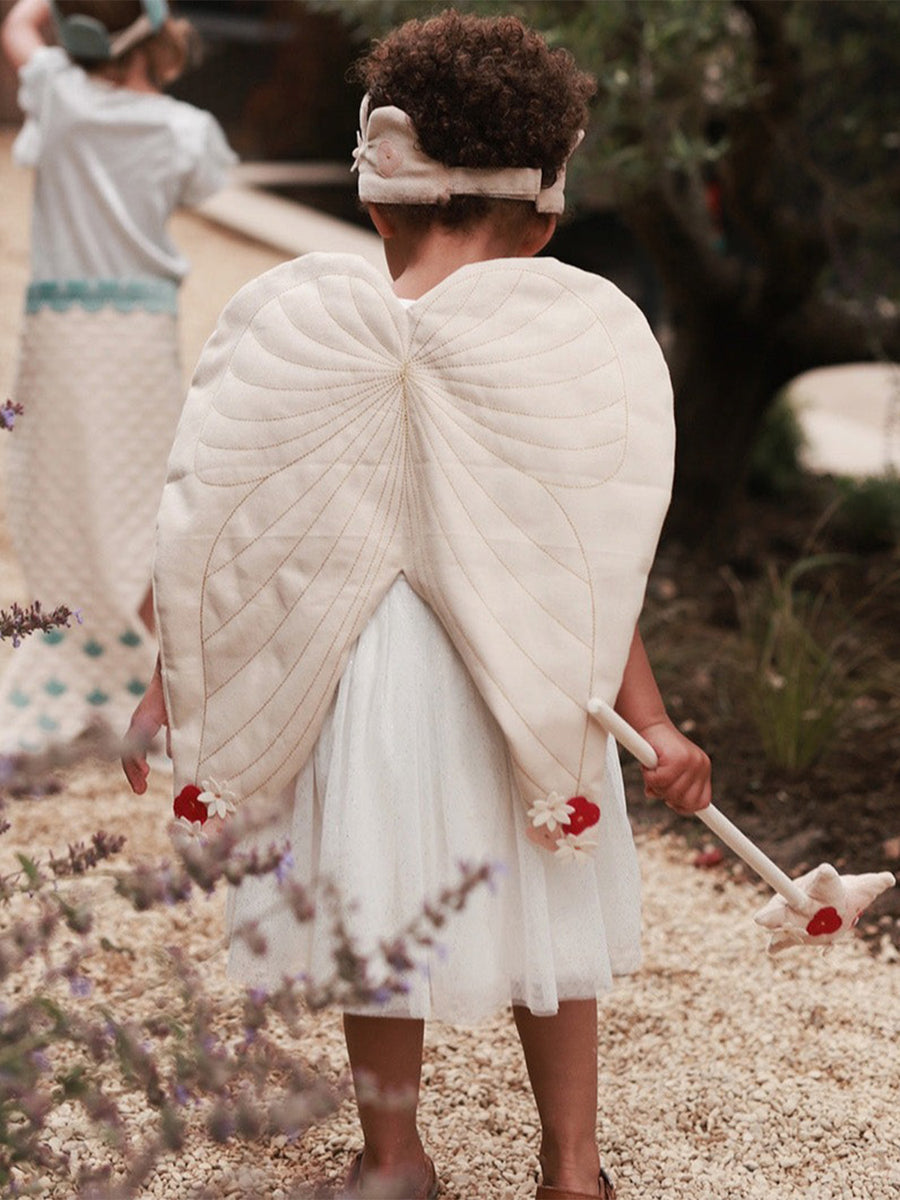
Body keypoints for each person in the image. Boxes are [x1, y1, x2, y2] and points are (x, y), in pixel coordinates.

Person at [123, 11, 711, 1199]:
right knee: (550, 892)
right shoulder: (560, 343)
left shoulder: (304, 330)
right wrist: (654, 722)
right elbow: (584, 557)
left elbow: (230, 534)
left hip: (365, 675)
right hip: (531, 672)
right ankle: (574, 1164)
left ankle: (393, 1159)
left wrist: (175, 684)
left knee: (373, 909)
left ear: (376, 202)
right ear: (546, 211)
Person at [0, 0, 235, 756]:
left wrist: (42, 8)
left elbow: (14, 28)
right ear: (156, 31)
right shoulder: (185, 129)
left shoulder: (59, 98)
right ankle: (141, 664)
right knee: (145, 493)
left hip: (59, 332)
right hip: (138, 332)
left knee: (58, 487)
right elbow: (205, 188)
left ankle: (70, 647)